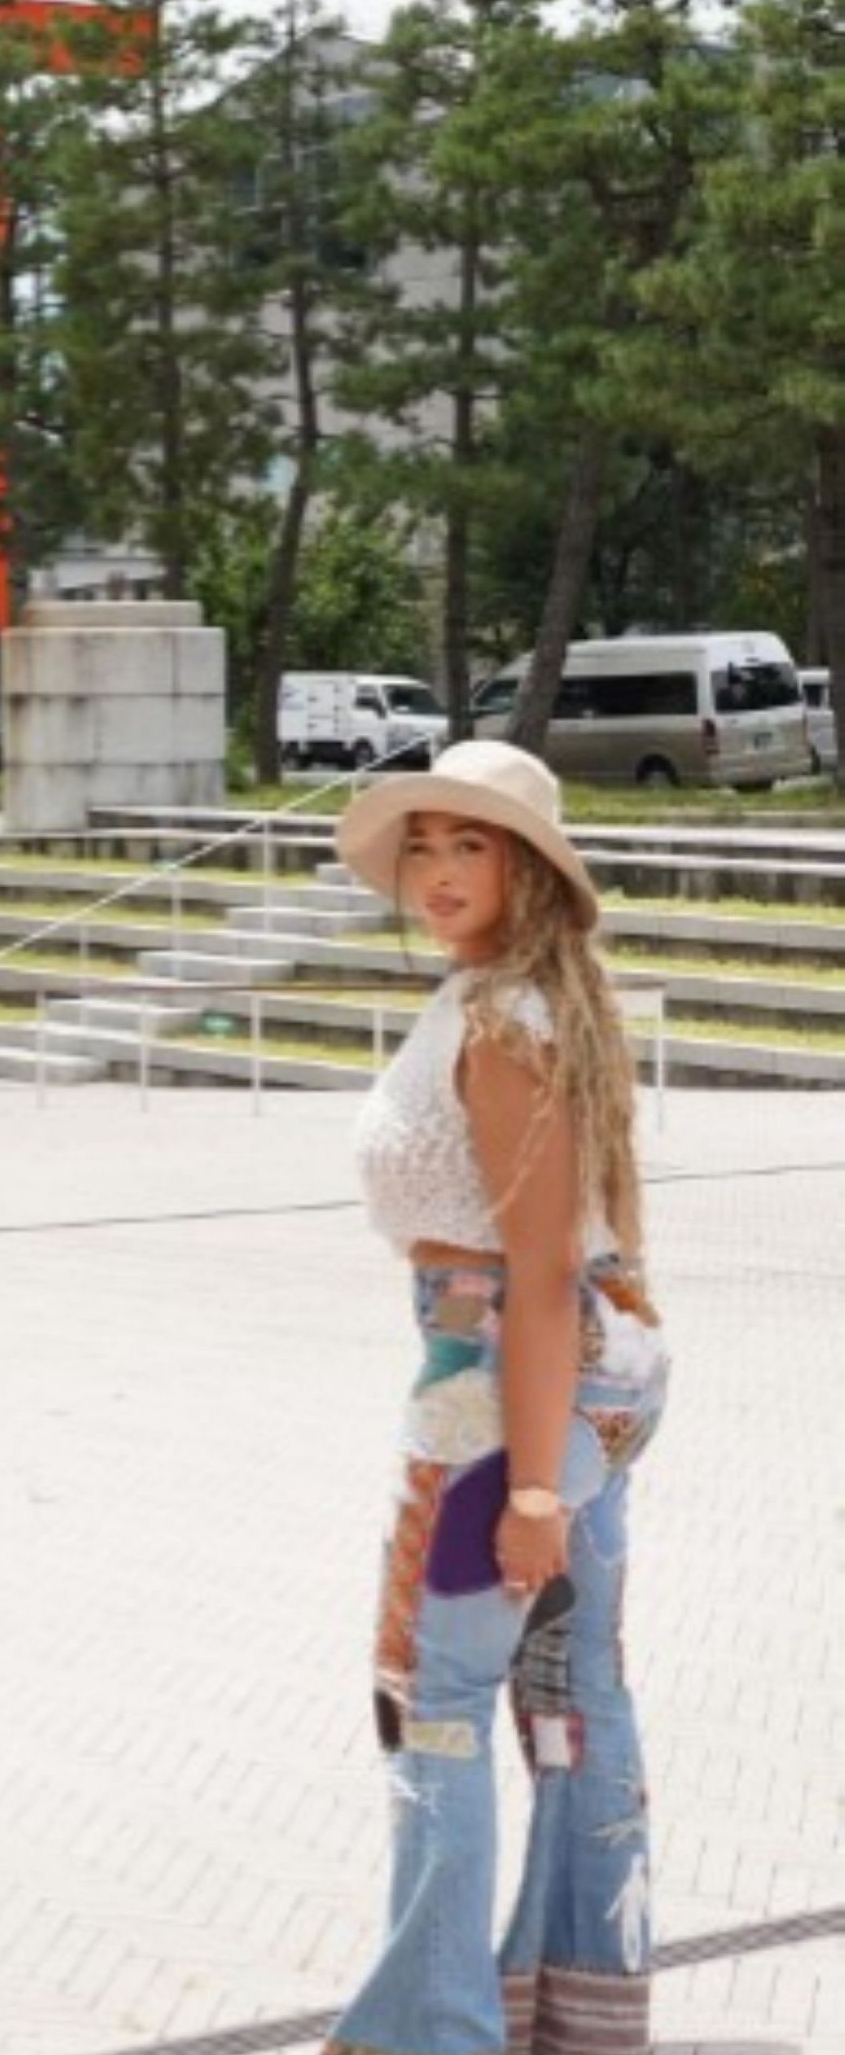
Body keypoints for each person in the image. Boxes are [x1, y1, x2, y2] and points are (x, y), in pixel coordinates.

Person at [323, 741, 668, 2055]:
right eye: (424, 844)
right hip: (562, 1378)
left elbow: (531, 1276)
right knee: (576, 1690)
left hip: (492, 1394)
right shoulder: (518, 998)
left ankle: (438, 2030)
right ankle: (574, 2013)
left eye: (471, 845)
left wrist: (528, 1485)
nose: (439, 871)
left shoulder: (502, 1021)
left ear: (529, 869)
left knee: (435, 1703)